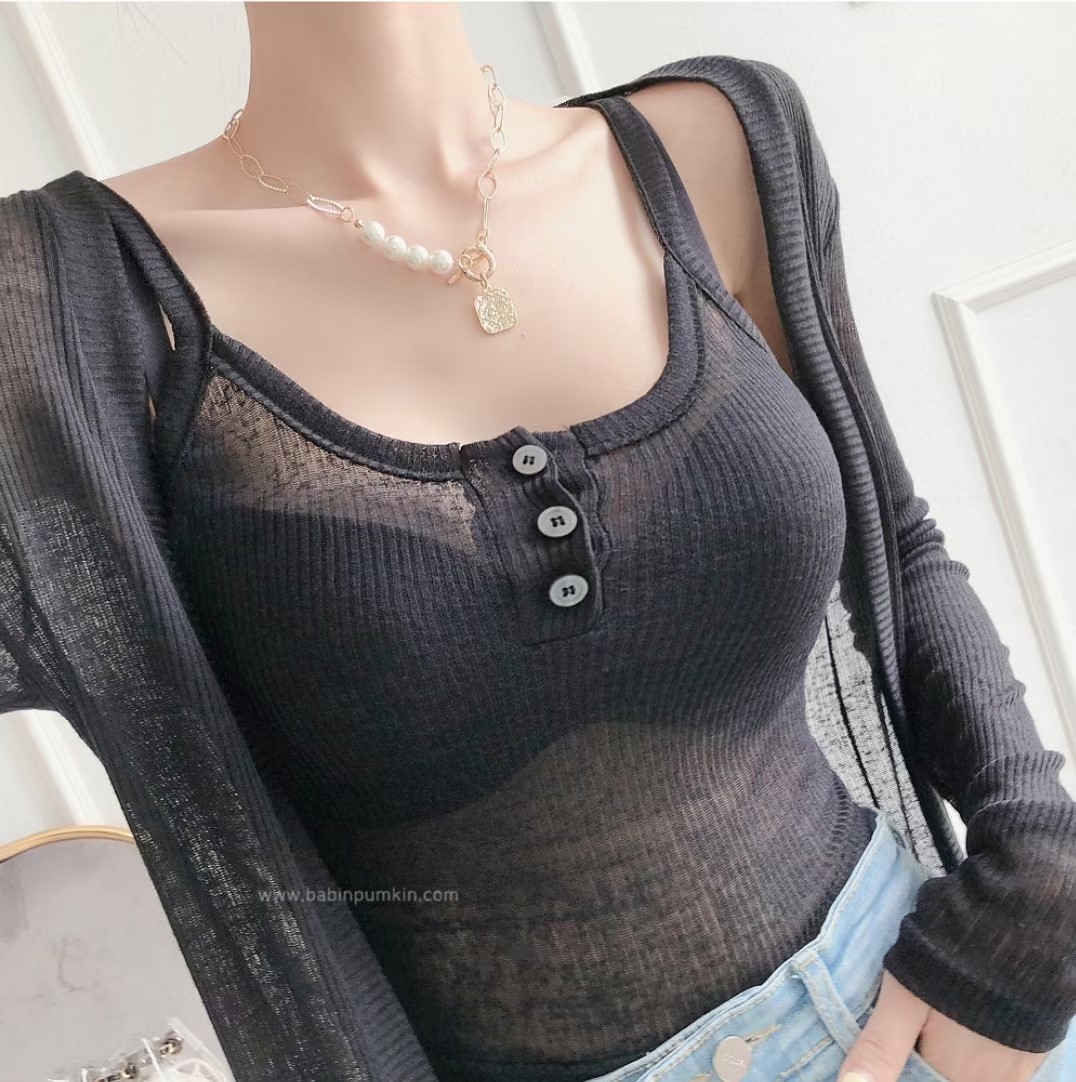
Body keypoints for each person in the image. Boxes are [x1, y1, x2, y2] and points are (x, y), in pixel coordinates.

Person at [2, 5, 1074, 1082]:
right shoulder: (55, 310)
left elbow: (892, 540)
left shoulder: (715, 144)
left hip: (927, 1008)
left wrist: (1043, 875)